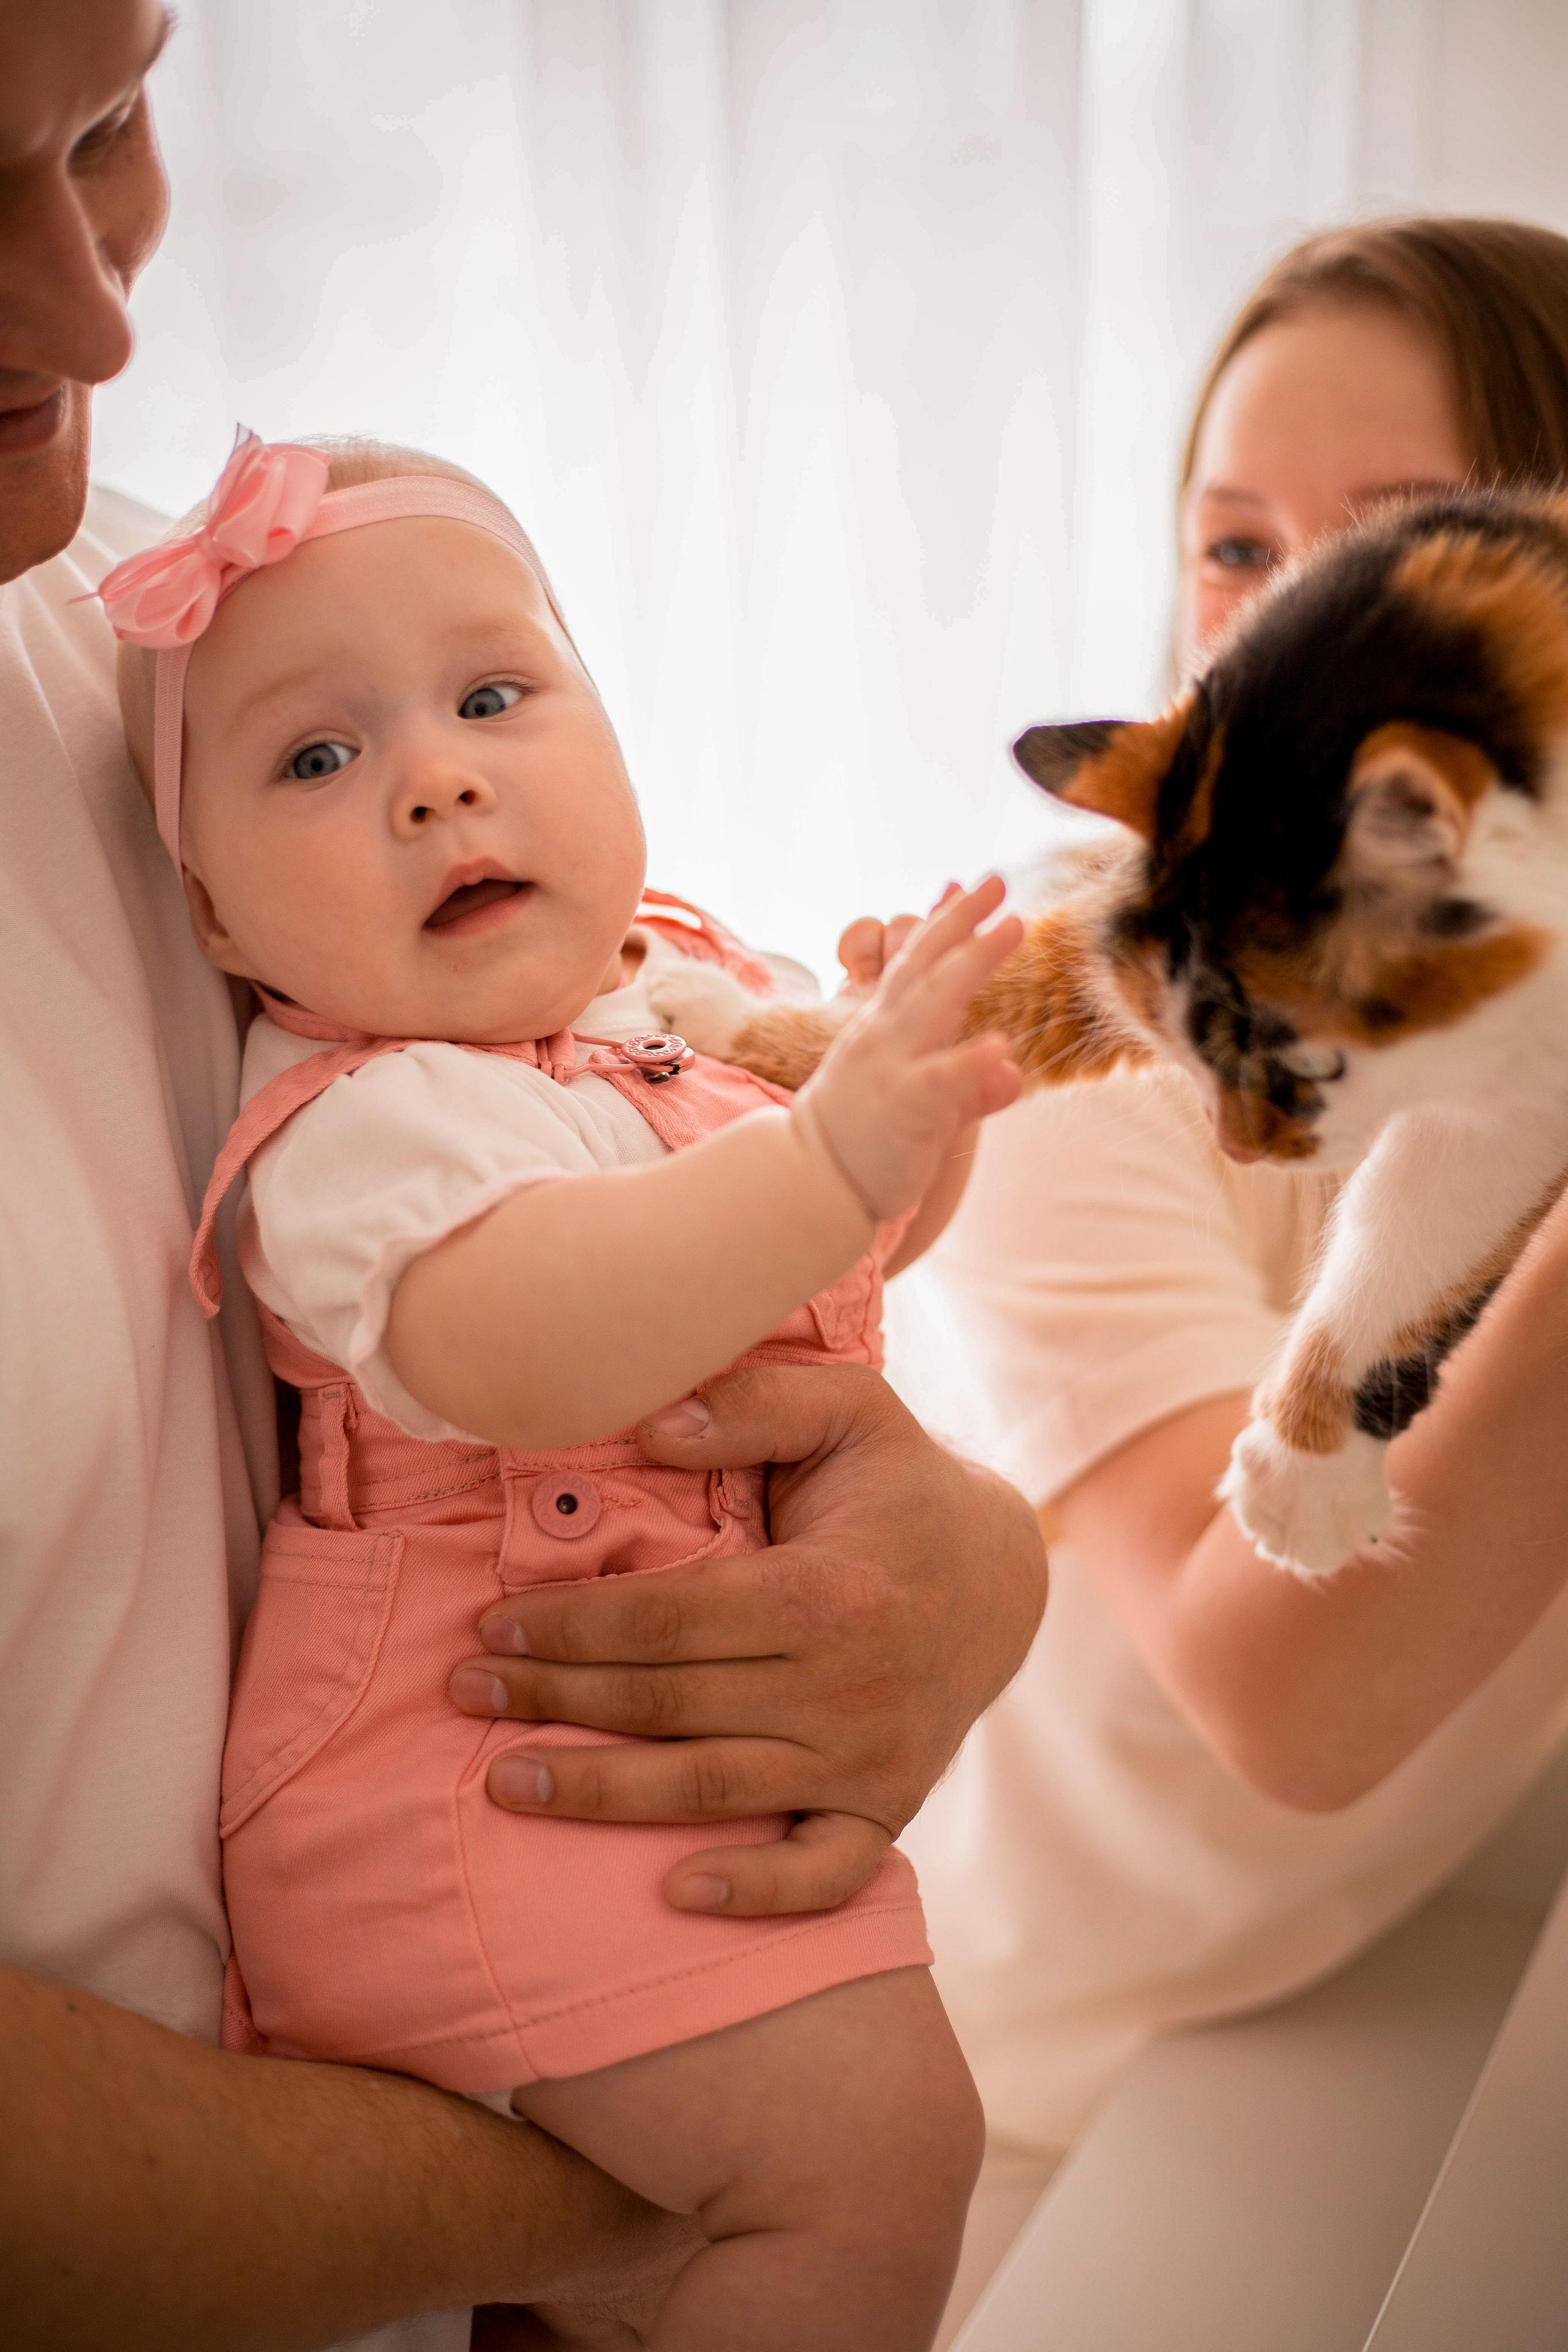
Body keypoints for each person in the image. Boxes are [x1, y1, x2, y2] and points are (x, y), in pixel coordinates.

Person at [0, 9, 1049, 2348]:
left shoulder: (189, 606)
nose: (98, 317)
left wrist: (957, 1513)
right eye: (329, 761)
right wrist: (831, 1157)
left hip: (551, 1814)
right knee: (875, 2153)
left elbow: (828, 1274)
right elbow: (530, 1322)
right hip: (438, 1826)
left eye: (107, 127)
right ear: (214, 918)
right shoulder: (369, 1108)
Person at [902, 214, 1568, 2206]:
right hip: (991, 2085)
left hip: (1354, 2011)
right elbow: (1288, 1692)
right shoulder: (1086, 996)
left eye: (1386, 543)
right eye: (1233, 546)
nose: (1272, 631)